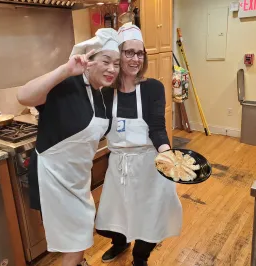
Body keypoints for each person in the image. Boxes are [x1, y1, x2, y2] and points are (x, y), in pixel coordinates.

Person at [17, 28, 120, 266]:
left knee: (80, 237)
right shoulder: (66, 84)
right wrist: (65, 69)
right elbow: (23, 96)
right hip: (54, 179)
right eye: (106, 61)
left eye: (116, 63)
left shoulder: (103, 95)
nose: (112, 69)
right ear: (89, 61)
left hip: (77, 180)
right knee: (74, 245)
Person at [95, 23, 183, 266]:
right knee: (115, 214)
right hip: (119, 165)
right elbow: (99, 129)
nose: (135, 59)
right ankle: (120, 243)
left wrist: (167, 154)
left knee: (150, 216)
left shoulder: (153, 88)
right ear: (118, 54)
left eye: (140, 53)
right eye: (129, 52)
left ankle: (140, 257)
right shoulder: (104, 93)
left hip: (148, 163)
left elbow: (156, 127)